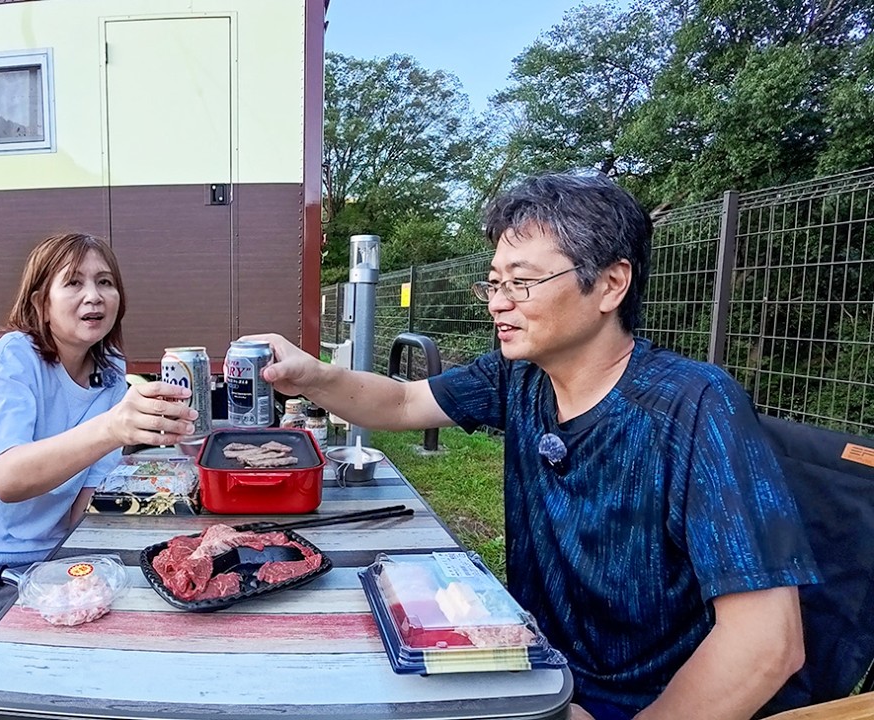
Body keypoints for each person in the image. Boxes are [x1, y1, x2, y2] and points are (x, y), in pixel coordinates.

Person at [246, 174, 820, 720]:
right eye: (494, 283)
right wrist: (313, 376)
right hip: (532, 670)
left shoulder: (692, 405)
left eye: (521, 282)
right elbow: (400, 403)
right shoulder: (519, 376)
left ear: (611, 284)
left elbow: (766, 642)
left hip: (648, 701)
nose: (497, 303)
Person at [0, 232, 197, 635]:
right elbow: (7, 478)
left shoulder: (109, 372)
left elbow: (78, 510)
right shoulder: (12, 361)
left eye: (105, 282)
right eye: (73, 282)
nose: (94, 296)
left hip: (51, 561)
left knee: (168, 594)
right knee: (131, 628)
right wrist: (110, 428)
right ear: (40, 304)